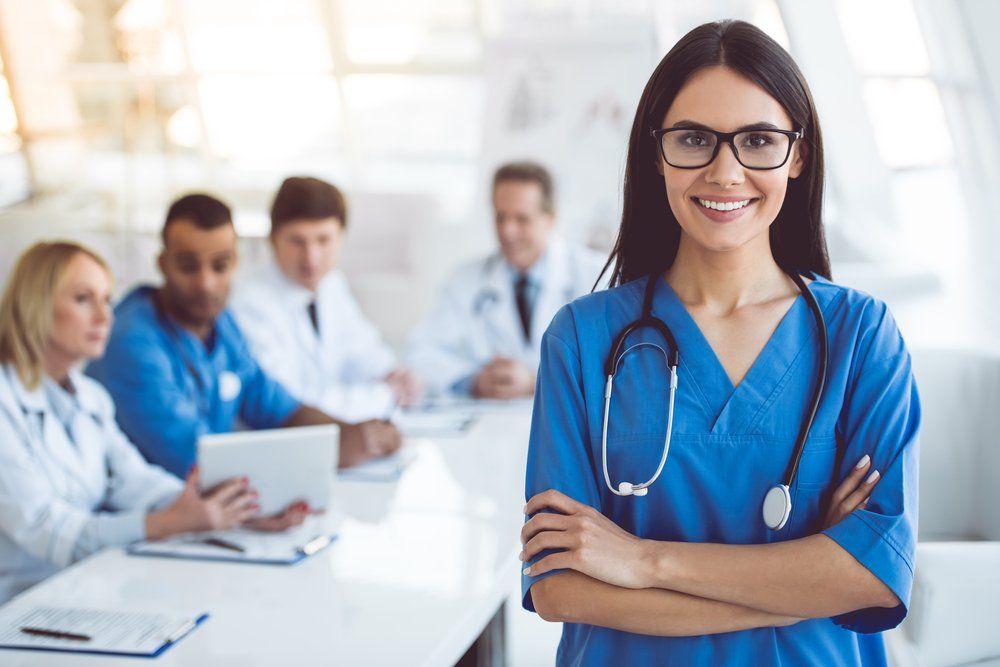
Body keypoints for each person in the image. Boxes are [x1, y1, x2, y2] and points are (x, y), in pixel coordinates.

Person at [519, 20, 919, 666]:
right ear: (657, 153)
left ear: (797, 154)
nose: (724, 171)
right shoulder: (583, 338)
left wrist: (641, 558)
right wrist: (810, 573)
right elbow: (562, 586)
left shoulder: (860, 337)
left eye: (758, 140)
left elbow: (875, 576)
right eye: (694, 139)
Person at [0, 242, 309, 603]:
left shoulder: (88, 396)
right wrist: (166, 524)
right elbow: (49, 531)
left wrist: (231, 511)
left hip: (85, 588)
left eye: (106, 299)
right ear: (34, 305)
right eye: (84, 299)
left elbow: (133, 480)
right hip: (20, 608)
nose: (105, 317)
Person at [87, 194, 401, 479]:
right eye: (188, 266)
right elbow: (195, 457)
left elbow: (277, 406)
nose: (206, 283)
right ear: (163, 264)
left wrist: (350, 434)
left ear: (235, 262)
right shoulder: (132, 343)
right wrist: (332, 450)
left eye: (220, 265)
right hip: (146, 515)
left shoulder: (221, 323)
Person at [407, 161, 606, 399]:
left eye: (522, 219)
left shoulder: (596, 274)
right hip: (490, 424)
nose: (507, 231)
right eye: (501, 217)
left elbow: (617, 362)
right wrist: (474, 380)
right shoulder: (466, 280)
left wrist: (537, 381)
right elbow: (421, 353)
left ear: (550, 218)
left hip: (570, 422)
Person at [231, 176, 422, 422]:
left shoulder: (331, 284)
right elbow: (293, 403)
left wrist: (393, 375)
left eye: (323, 240)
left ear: (341, 237)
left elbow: (362, 350)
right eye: (297, 241)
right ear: (273, 239)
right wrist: (383, 395)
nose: (311, 257)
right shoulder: (248, 304)